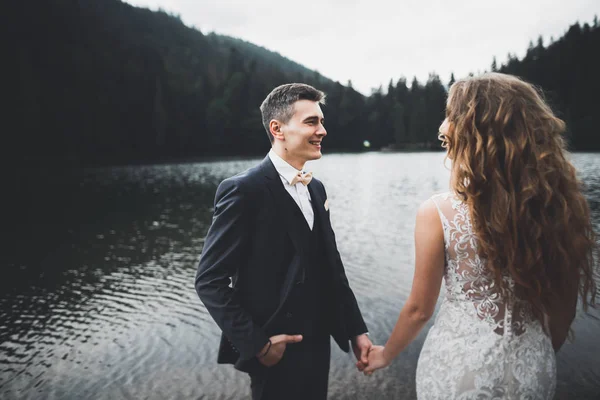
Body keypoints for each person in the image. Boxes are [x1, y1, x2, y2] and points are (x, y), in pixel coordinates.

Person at [362, 72, 597, 399]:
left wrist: (385, 354)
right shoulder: (562, 209)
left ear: (475, 132)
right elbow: (563, 312)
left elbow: (419, 310)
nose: (443, 127)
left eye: (449, 117)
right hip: (532, 372)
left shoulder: (438, 212)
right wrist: (533, 354)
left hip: (459, 370)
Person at [195, 83, 372, 400]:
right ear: (277, 128)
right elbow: (209, 280)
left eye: (321, 121)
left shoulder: (316, 188)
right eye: (311, 122)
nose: (323, 130)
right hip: (274, 348)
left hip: (317, 341)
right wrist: (259, 345)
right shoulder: (243, 190)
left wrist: (355, 330)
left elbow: (331, 266)